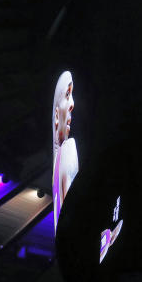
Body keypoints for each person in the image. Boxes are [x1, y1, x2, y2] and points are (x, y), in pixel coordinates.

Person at [52, 71, 78, 231]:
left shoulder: (57, 161)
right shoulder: (68, 149)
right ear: (56, 115)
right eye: (68, 94)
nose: (73, 104)